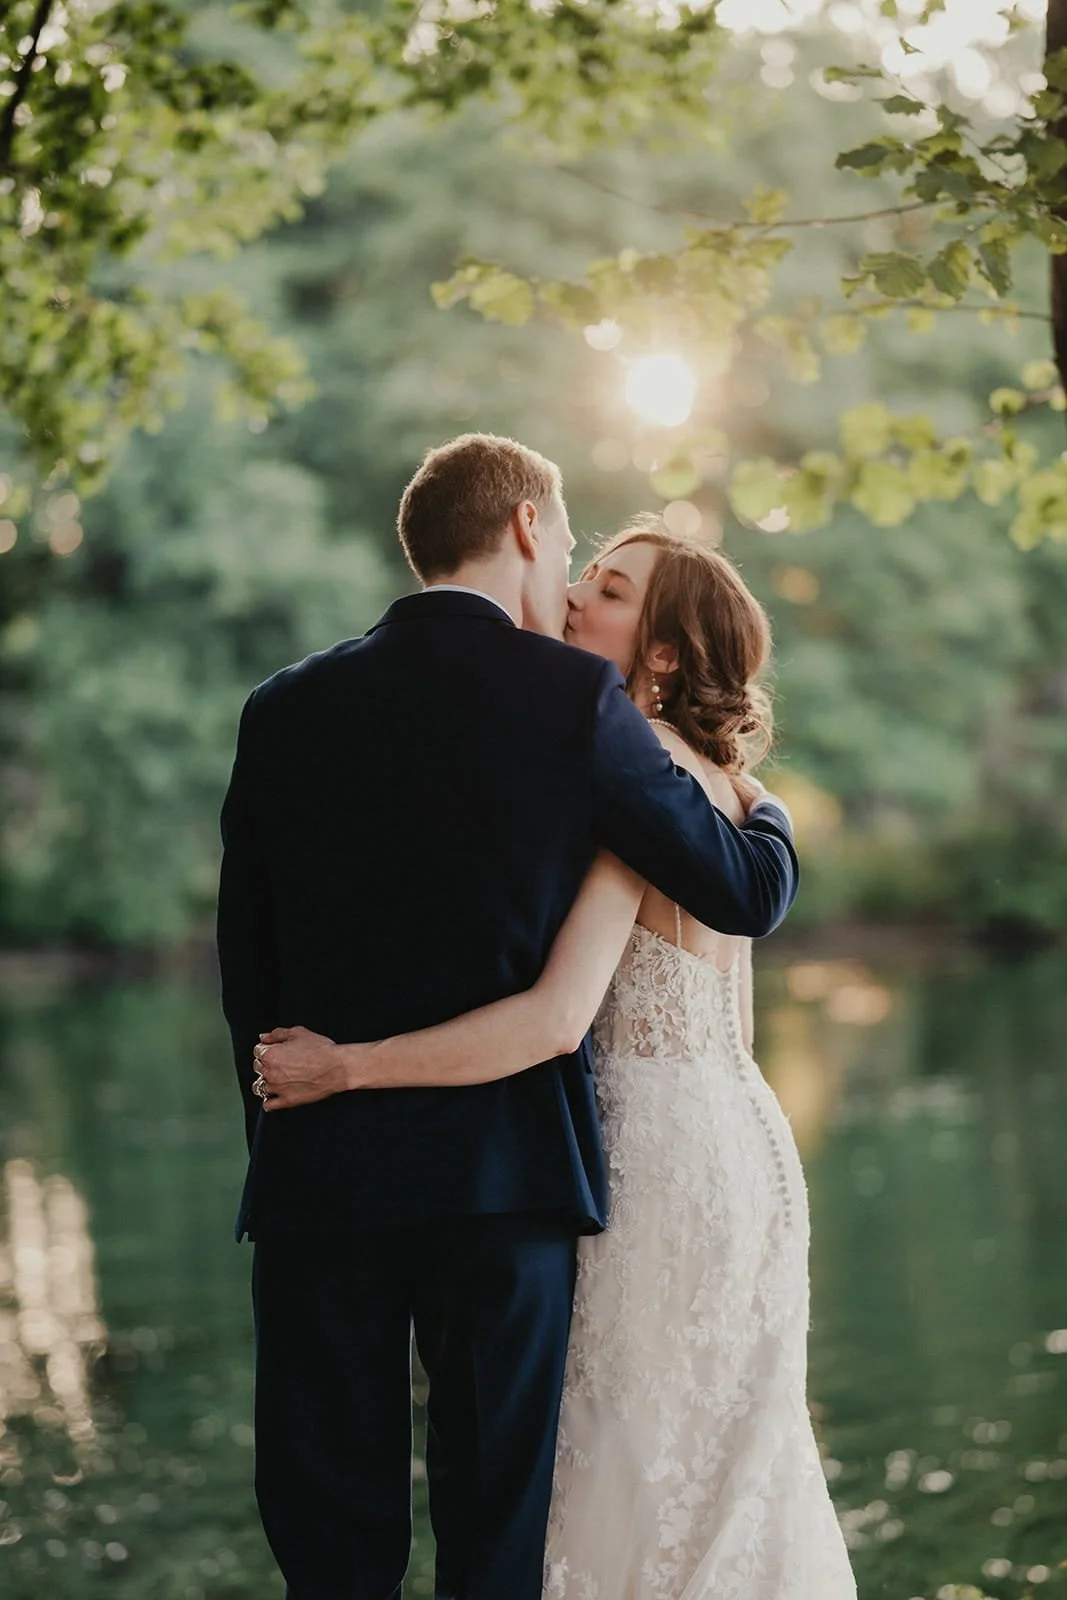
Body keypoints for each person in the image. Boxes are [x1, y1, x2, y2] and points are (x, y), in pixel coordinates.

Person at [217, 437, 800, 1600]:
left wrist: (283, 1127)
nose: (574, 578)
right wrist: (764, 802)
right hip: (504, 1183)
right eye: (571, 542)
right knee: (496, 1544)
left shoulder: (281, 705)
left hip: (319, 1176)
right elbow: (739, 888)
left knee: (330, 1543)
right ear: (527, 524)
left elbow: (249, 959)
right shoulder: (572, 700)